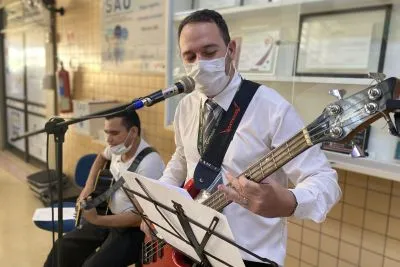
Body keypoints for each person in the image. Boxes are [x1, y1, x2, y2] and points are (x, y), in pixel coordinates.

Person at [142, 9, 341, 267]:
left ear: (231, 49)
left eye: (210, 52)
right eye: (190, 56)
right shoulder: (186, 106)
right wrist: (156, 206)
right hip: (191, 247)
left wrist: (289, 201)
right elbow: (182, 159)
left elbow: (325, 181)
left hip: (250, 255)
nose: (199, 63)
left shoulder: (272, 109)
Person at [44, 110, 165, 267]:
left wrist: (96, 220)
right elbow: (101, 157)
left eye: (114, 133)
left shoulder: (149, 164)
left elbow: (138, 217)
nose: (109, 139)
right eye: (106, 132)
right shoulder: (118, 147)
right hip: (106, 215)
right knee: (62, 248)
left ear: (133, 132)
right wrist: (87, 188)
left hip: (133, 231)